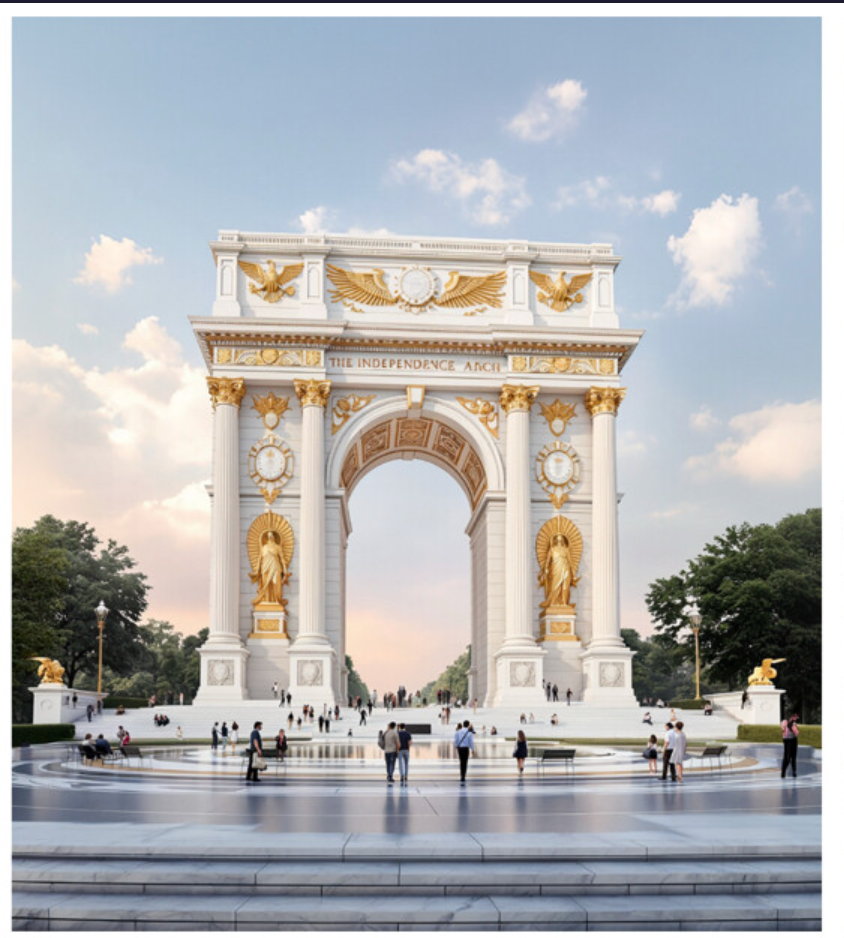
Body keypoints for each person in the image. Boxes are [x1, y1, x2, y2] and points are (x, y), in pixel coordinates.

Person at [781, 713, 800, 778]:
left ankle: (794, 771)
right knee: (787, 757)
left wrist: (794, 727)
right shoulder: (784, 722)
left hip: (794, 740)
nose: (796, 719)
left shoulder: (794, 724)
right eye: (795, 717)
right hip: (787, 740)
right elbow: (783, 730)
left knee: (793, 756)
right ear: (792, 717)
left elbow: (797, 733)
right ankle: (783, 771)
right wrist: (790, 726)